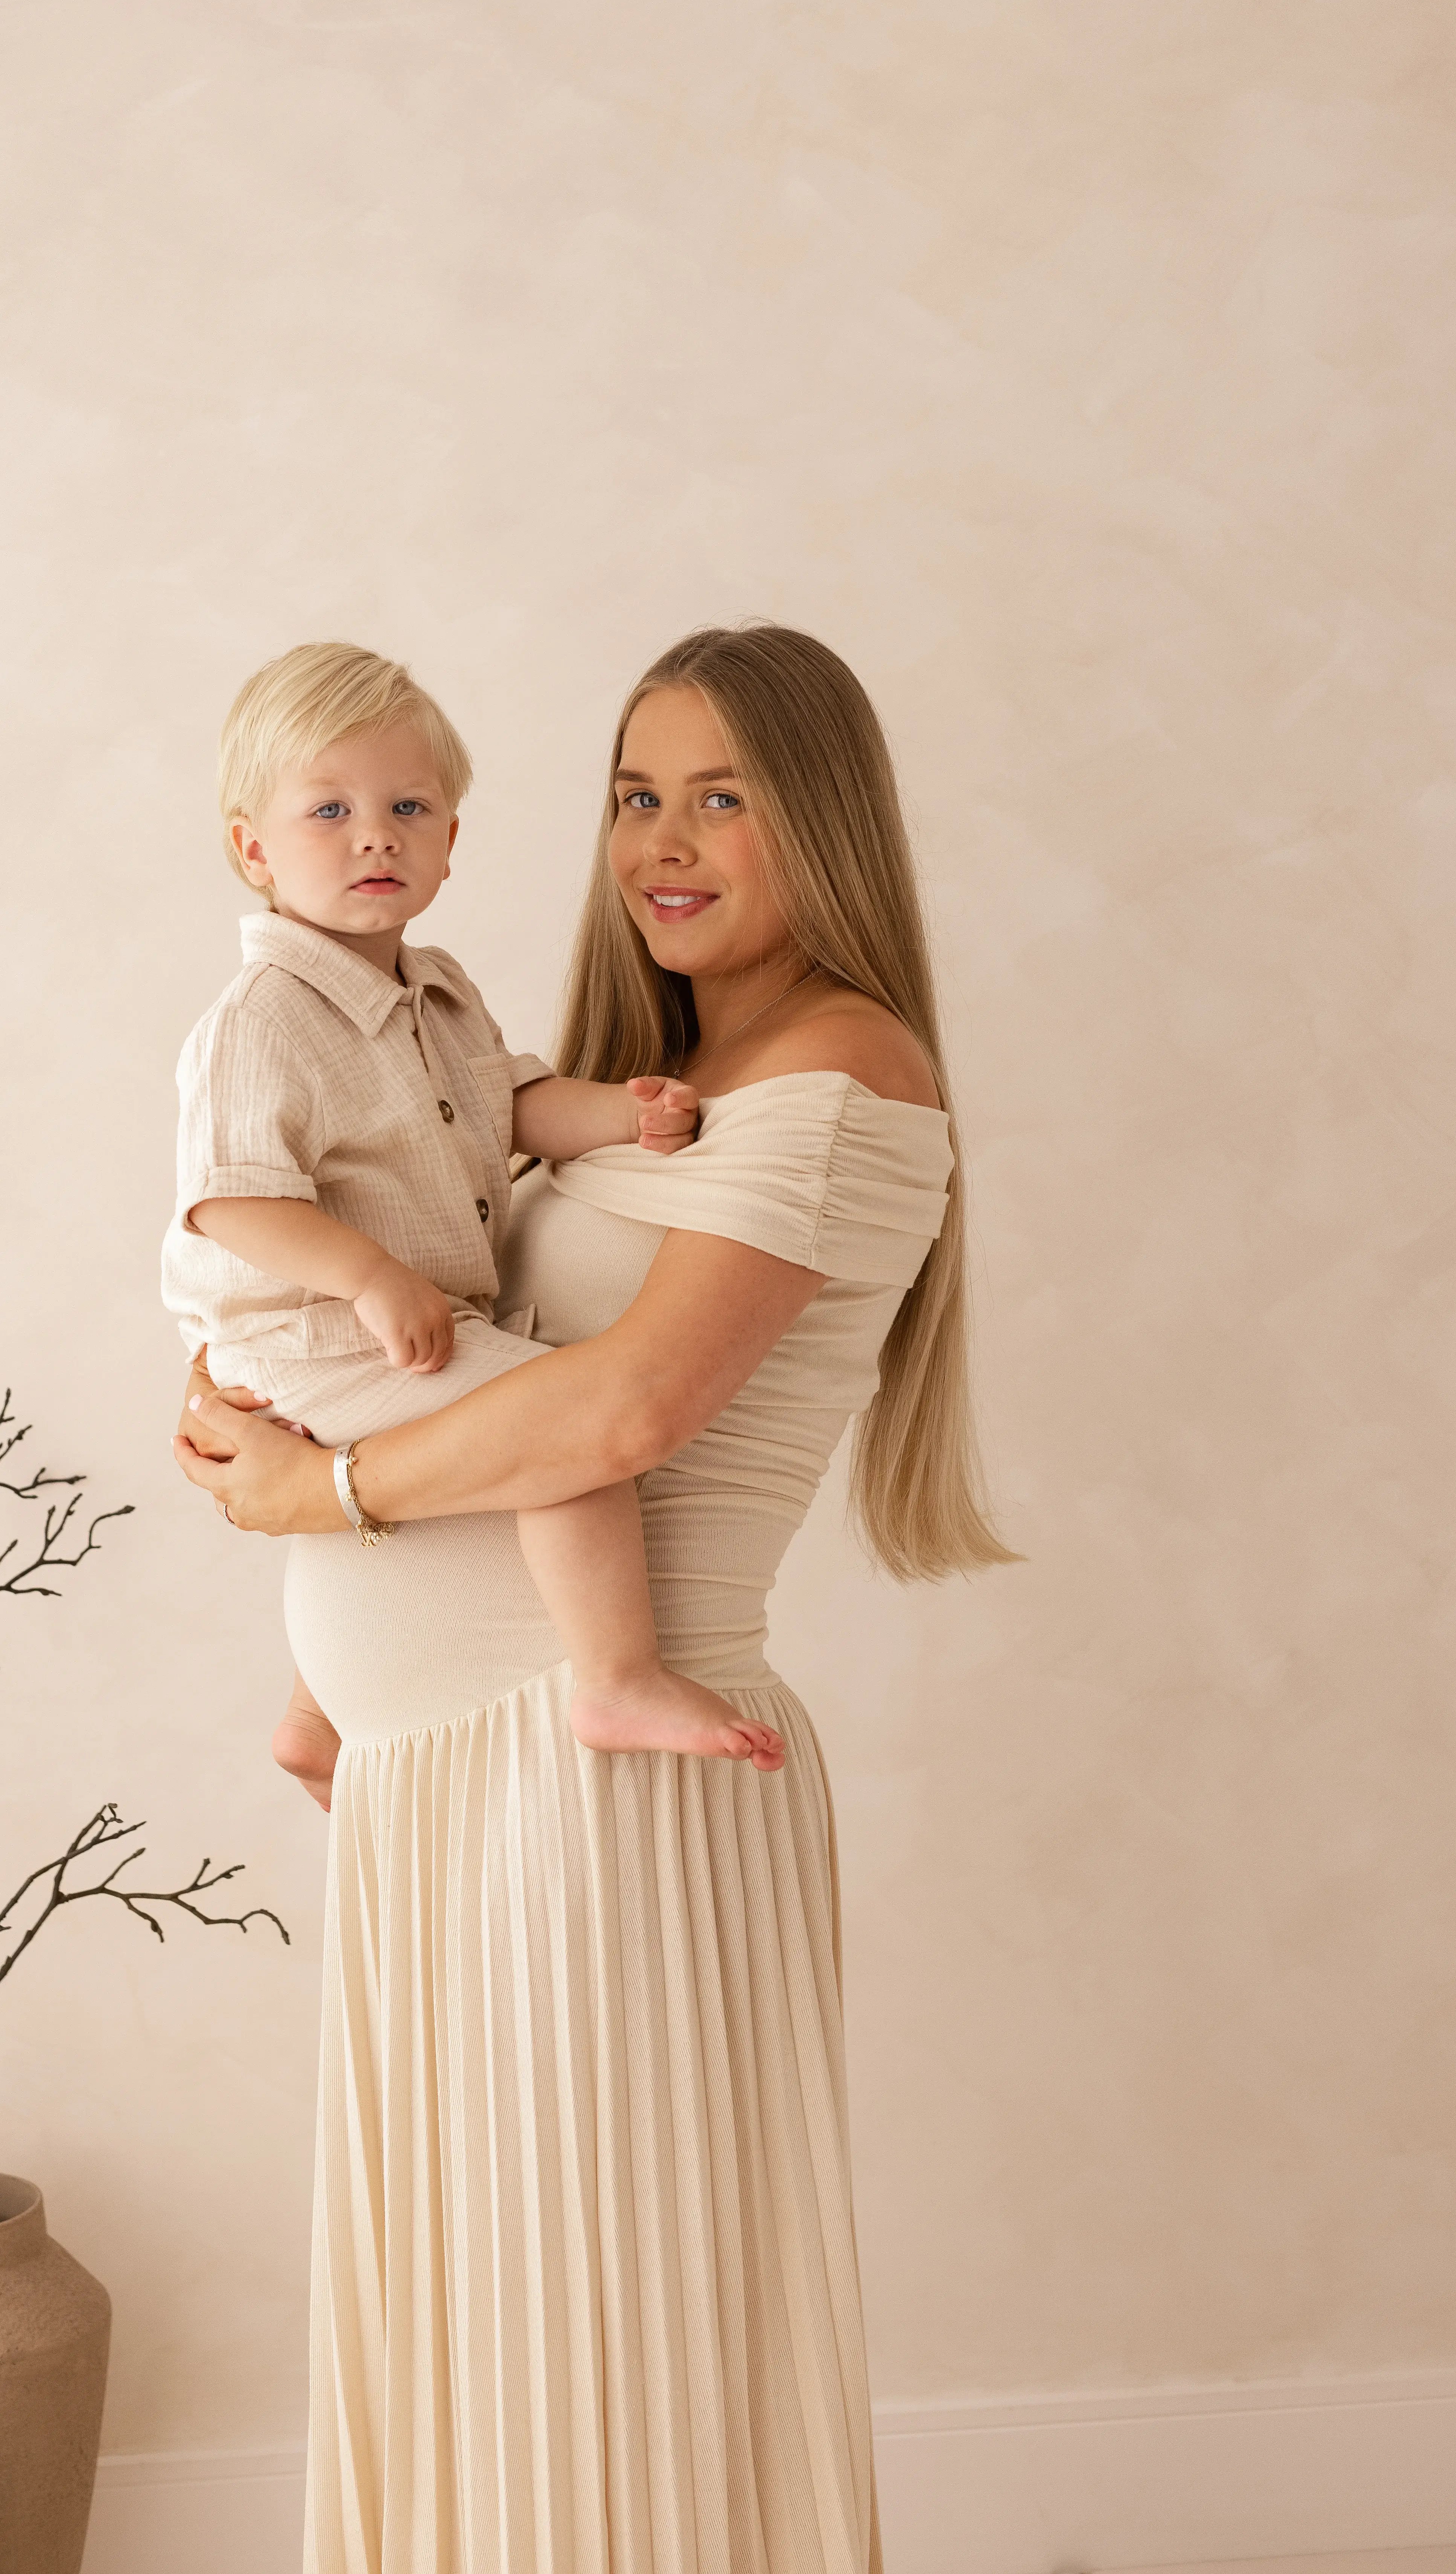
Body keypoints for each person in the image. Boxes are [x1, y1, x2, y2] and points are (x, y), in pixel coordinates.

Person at [176, 624, 1015, 2574]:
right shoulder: (633, 1082)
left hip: (598, 1786)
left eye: (725, 793)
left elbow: (626, 1402)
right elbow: (431, 1302)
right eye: (638, 792)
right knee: (497, 2319)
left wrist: (332, 1485)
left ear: (826, 821)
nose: (667, 840)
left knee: (604, 2322)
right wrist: (257, 1388)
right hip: (454, 1779)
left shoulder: (846, 1077)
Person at [162, 641, 789, 1773]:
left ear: (451, 840)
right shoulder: (263, 1018)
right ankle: (617, 1678)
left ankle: (316, 1721)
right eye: (330, 810)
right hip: (310, 1334)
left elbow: (506, 1106)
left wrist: (617, 1113)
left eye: (410, 806)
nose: (375, 835)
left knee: (488, 1427)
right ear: (253, 847)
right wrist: (367, 1274)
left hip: (392, 1320)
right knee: (560, 1434)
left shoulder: (438, 991)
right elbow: (232, 1203)